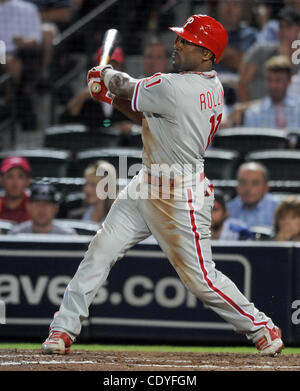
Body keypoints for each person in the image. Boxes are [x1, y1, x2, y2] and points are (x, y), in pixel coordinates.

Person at [42, 14, 283, 357]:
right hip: (148, 182)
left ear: (206, 54)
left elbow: (126, 85)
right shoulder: (210, 86)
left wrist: (104, 76)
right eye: (180, 38)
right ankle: (63, 329)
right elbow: (148, 115)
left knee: (200, 278)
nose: (178, 44)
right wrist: (109, 97)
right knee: (100, 250)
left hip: (178, 193)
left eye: (187, 41)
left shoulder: (174, 86)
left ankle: (260, 325)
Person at [58, 46, 132, 132]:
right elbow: (64, 123)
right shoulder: (87, 98)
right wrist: (80, 98)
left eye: (115, 66)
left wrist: (129, 127)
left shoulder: (128, 99)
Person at [238, 7, 300, 102]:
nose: (283, 31)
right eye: (281, 26)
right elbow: (242, 83)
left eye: (288, 27)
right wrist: (249, 111)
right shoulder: (260, 50)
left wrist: (285, 57)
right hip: (256, 110)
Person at [0, 0, 43, 130]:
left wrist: (23, 41)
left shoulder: (27, 8)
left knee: (13, 62)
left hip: (20, 54)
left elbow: (36, 39)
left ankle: (12, 104)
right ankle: (17, 105)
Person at [242, 55, 300, 128]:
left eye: (278, 80)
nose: (273, 85)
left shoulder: (298, 107)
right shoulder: (254, 113)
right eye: (269, 80)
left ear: (288, 81)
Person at [227, 162, 279, 228]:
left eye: (255, 183)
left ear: (266, 187)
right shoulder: (227, 211)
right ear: (237, 186)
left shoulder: (279, 211)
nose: (248, 188)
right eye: (243, 182)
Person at [9, 183, 76, 234]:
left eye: (47, 204)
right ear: (28, 207)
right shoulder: (16, 235)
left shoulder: (68, 236)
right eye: (37, 204)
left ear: (55, 208)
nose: (42, 209)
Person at [68, 160, 117, 226]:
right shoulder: (74, 217)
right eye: (86, 184)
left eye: (93, 185)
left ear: (107, 188)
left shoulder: (119, 219)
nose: (86, 189)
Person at [0, 156, 31, 223]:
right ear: (1, 180)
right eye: (10, 176)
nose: (15, 182)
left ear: (27, 181)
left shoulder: (36, 209)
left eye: (20, 176)